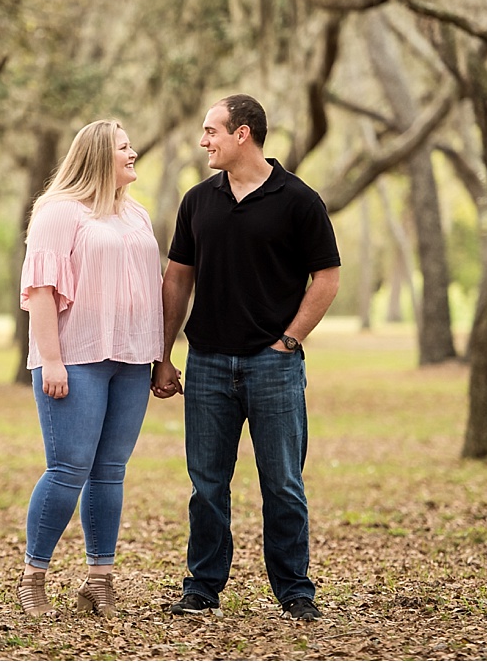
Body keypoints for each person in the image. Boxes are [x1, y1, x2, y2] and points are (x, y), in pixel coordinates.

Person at [151, 94, 340, 622]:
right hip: (208, 363)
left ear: (243, 134)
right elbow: (177, 278)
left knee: (282, 482)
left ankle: (295, 590)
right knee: (207, 485)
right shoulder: (197, 200)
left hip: (272, 364)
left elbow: (327, 276)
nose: (203, 140)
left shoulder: (299, 200)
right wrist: (163, 356)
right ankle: (202, 587)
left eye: (211, 130)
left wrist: (290, 340)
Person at [17, 119, 164, 618]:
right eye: (125, 147)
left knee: (110, 473)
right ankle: (33, 577)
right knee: (67, 470)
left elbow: (152, 291)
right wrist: (52, 359)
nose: (134, 153)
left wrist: (160, 355)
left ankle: (99, 581)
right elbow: (40, 291)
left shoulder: (137, 215)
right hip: (75, 359)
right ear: (100, 156)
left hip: (131, 359)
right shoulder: (58, 213)